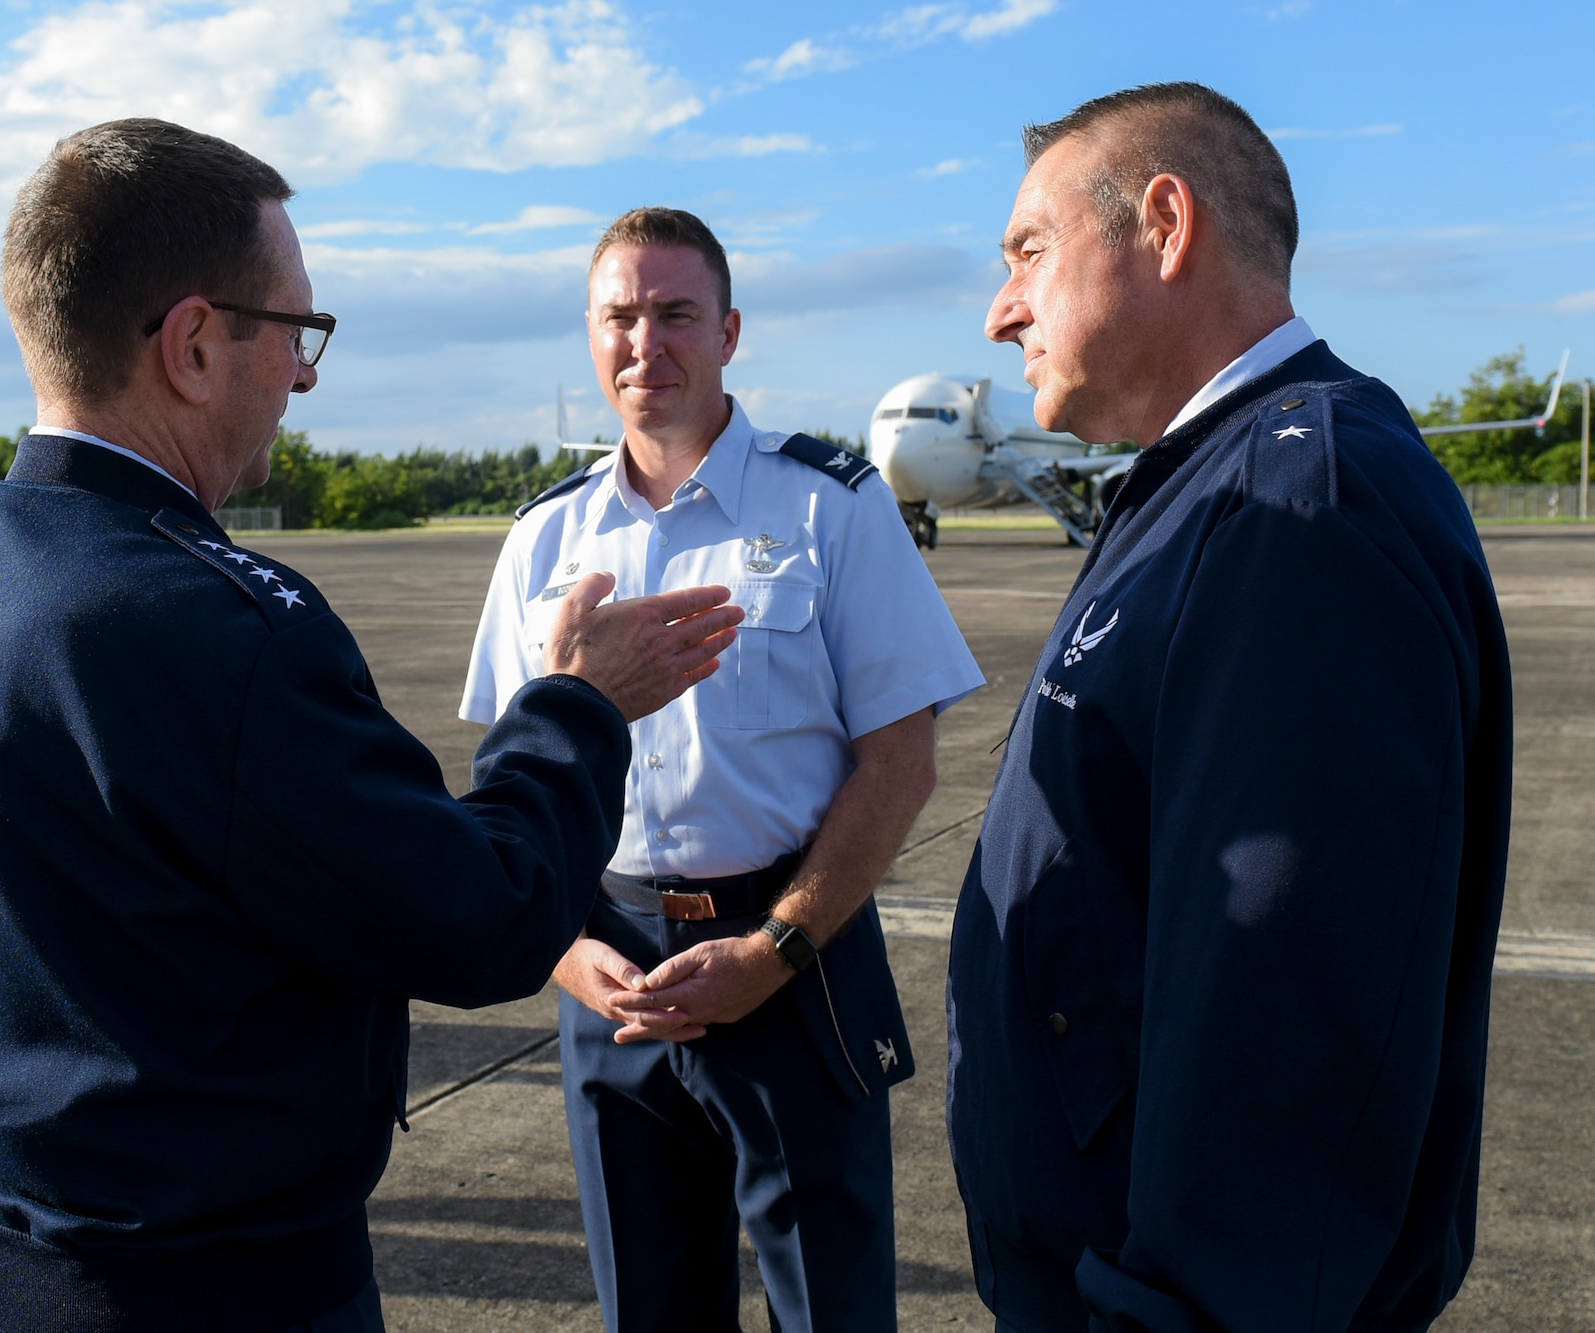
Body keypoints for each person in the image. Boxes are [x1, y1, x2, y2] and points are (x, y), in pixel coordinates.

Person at [0, 120, 744, 1333]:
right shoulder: (214, 626)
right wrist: (576, 707)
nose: (303, 374)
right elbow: (482, 919)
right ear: (192, 342)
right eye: (296, 331)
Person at [945, 83, 1513, 1331]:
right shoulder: (1203, 489)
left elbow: (1283, 1033)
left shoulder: (1295, 511)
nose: (998, 311)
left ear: (1162, 223)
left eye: (1027, 251)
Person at [462, 207, 986, 1332]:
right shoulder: (540, 543)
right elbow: (506, 774)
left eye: (674, 313)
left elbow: (899, 761)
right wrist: (562, 949)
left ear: (729, 331)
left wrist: (776, 949)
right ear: (590, 334)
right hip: (611, 977)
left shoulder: (828, 507)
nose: (644, 341)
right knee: (648, 1313)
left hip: (791, 959)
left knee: (830, 1311)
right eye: (619, 315)